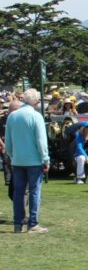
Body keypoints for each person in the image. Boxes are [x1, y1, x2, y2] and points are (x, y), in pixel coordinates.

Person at [3, 88, 49, 233]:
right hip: (34, 161)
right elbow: (41, 141)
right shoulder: (36, 116)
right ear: (36, 101)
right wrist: (45, 158)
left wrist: (11, 155)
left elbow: (8, 140)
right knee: (35, 192)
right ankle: (33, 223)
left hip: (17, 160)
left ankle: (18, 224)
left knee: (18, 192)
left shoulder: (12, 116)